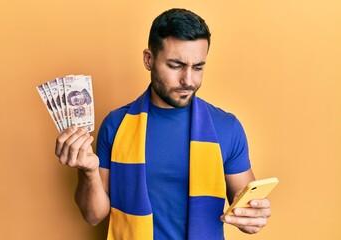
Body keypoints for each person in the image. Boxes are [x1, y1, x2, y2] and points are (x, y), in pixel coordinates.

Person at [55, 8, 272, 240]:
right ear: (149, 59)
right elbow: (93, 215)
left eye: (198, 67)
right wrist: (87, 171)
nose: (188, 80)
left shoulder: (227, 127)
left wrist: (253, 217)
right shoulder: (115, 125)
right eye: (176, 65)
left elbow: (247, 206)